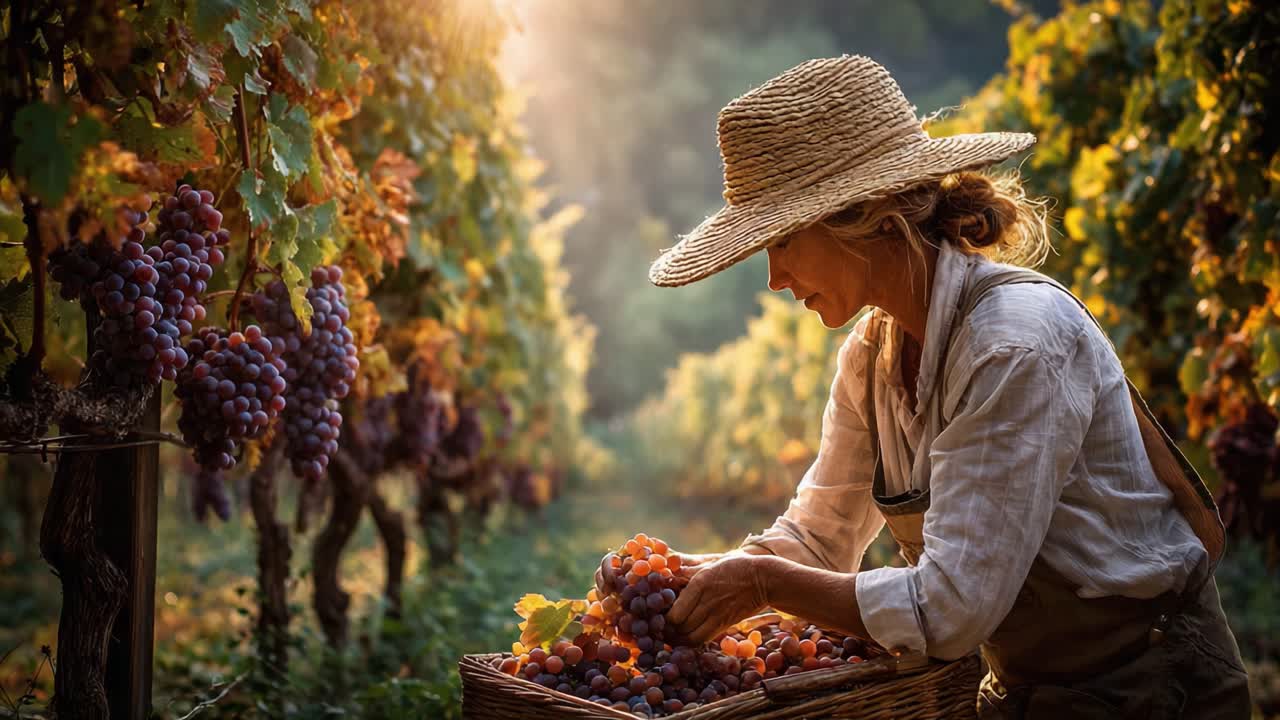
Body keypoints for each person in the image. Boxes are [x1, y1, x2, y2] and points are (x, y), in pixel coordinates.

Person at [645, 55, 1252, 719]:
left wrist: (762, 582)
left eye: (782, 241)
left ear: (868, 212)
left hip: (1151, 690)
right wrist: (694, 574)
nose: (774, 278)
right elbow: (821, 539)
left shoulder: (1012, 344)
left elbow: (950, 610)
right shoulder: (870, 360)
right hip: (1025, 690)